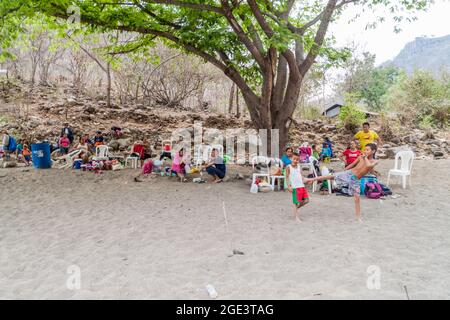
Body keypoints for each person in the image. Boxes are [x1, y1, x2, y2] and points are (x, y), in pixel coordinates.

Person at [310, 143, 379, 222]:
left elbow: (369, 166)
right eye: (365, 149)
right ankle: (311, 179)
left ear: (373, 151)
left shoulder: (375, 161)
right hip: (350, 173)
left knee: (357, 199)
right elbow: (353, 164)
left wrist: (373, 171)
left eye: (367, 150)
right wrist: (345, 170)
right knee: (332, 176)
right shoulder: (361, 157)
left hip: (356, 179)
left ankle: (358, 217)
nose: (365, 151)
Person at [286, 152, 313, 223]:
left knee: (306, 200)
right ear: (291, 158)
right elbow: (286, 177)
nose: (295, 161)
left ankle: (295, 209)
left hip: (302, 186)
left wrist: (307, 181)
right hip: (295, 187)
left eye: (297, 159)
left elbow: (301, 176)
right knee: (296, 203)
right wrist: (288, 186)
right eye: (294, 159)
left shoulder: (299, 166)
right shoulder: (288, 167)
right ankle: (296, 217)